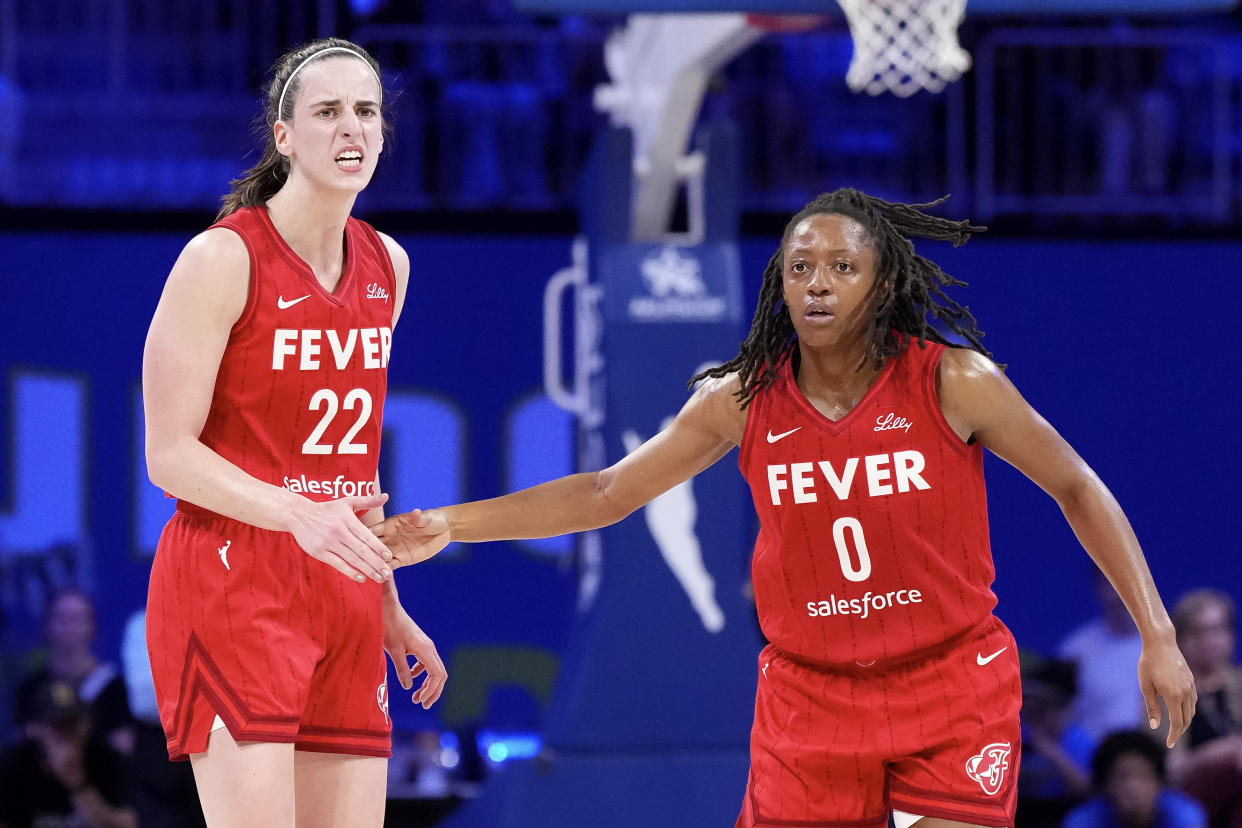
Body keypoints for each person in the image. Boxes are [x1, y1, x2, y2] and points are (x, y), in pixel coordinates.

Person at [371, 188, 1197, 828]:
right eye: (800, 268)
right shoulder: (741, 400)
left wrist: (1157, 635)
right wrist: (449, 521)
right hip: (810, 697)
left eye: (842, 267)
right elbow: (605, 493)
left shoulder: (953, 379)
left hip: (951, 681)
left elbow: (1077, 486)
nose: (818, 285)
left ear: (883, 283)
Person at [141, 37, 447, 828]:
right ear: (284, 136)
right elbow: (168, 455)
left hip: (342, 587)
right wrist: (295, 511)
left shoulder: (390, 265)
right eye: (328, 111)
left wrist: (386, 602)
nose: (352, 128)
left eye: (367, 111)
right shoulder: (220, 258)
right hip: (234, 576)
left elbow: (355, 463)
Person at [0, 675, 138, 828]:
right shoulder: (12, 767)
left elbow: (128, 824)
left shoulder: (107, 760)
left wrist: (77, 783)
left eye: (73, 723)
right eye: (58, 725)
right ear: (35, 729)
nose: (68, 734)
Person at [13, 588, 133, 756]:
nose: (69, 627)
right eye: (61, 618)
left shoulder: (114, 688)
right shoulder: (30, 688)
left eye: (77, 619)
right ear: (46, 626)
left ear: (93, 627)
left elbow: (123, 749)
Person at [1166, 589, 1242, 827]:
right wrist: (1222, 752)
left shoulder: (1238, 683)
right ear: (1180, 639)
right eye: (1200, 632)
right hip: (1190, 795)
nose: (1211, 641)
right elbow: (1169, 769)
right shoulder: (1166, 693)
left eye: (1219, 630)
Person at [1059, 566, 1148, 746]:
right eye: (1113, 583)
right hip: (1097, 767)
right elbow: (1062, 722)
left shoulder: (1171, 646)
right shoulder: (1075, 652)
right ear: (1099, 587)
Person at [1061, 730, 1206, 828]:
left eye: (1143, 776)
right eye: (1122, 777)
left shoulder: (1184, 817)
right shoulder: (1083, 822)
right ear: (1104, 785)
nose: (1133, 787)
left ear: (1160, 782)